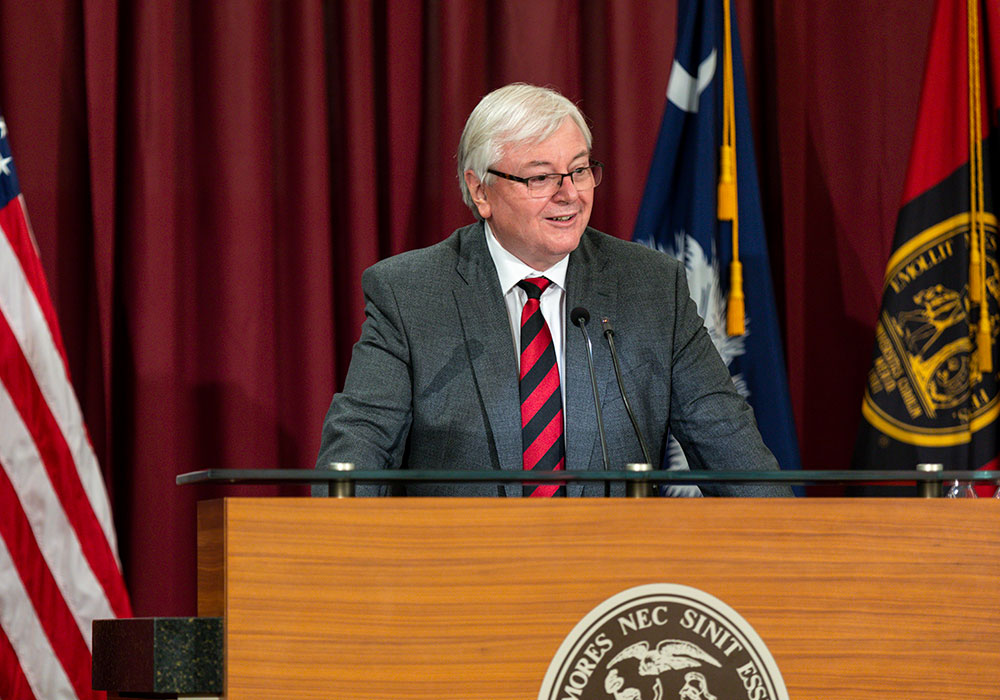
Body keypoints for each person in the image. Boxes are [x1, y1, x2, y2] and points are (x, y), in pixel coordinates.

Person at [315, 82, 790, 497]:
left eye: (579, 170)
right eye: (540, 177)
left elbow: (731, 448)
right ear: (480, 191)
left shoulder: (650, 286)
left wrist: (794, 554)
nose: (569, 194)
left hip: (610, 580)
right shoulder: (411, 293)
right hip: (459, 577)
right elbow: (360, 448)